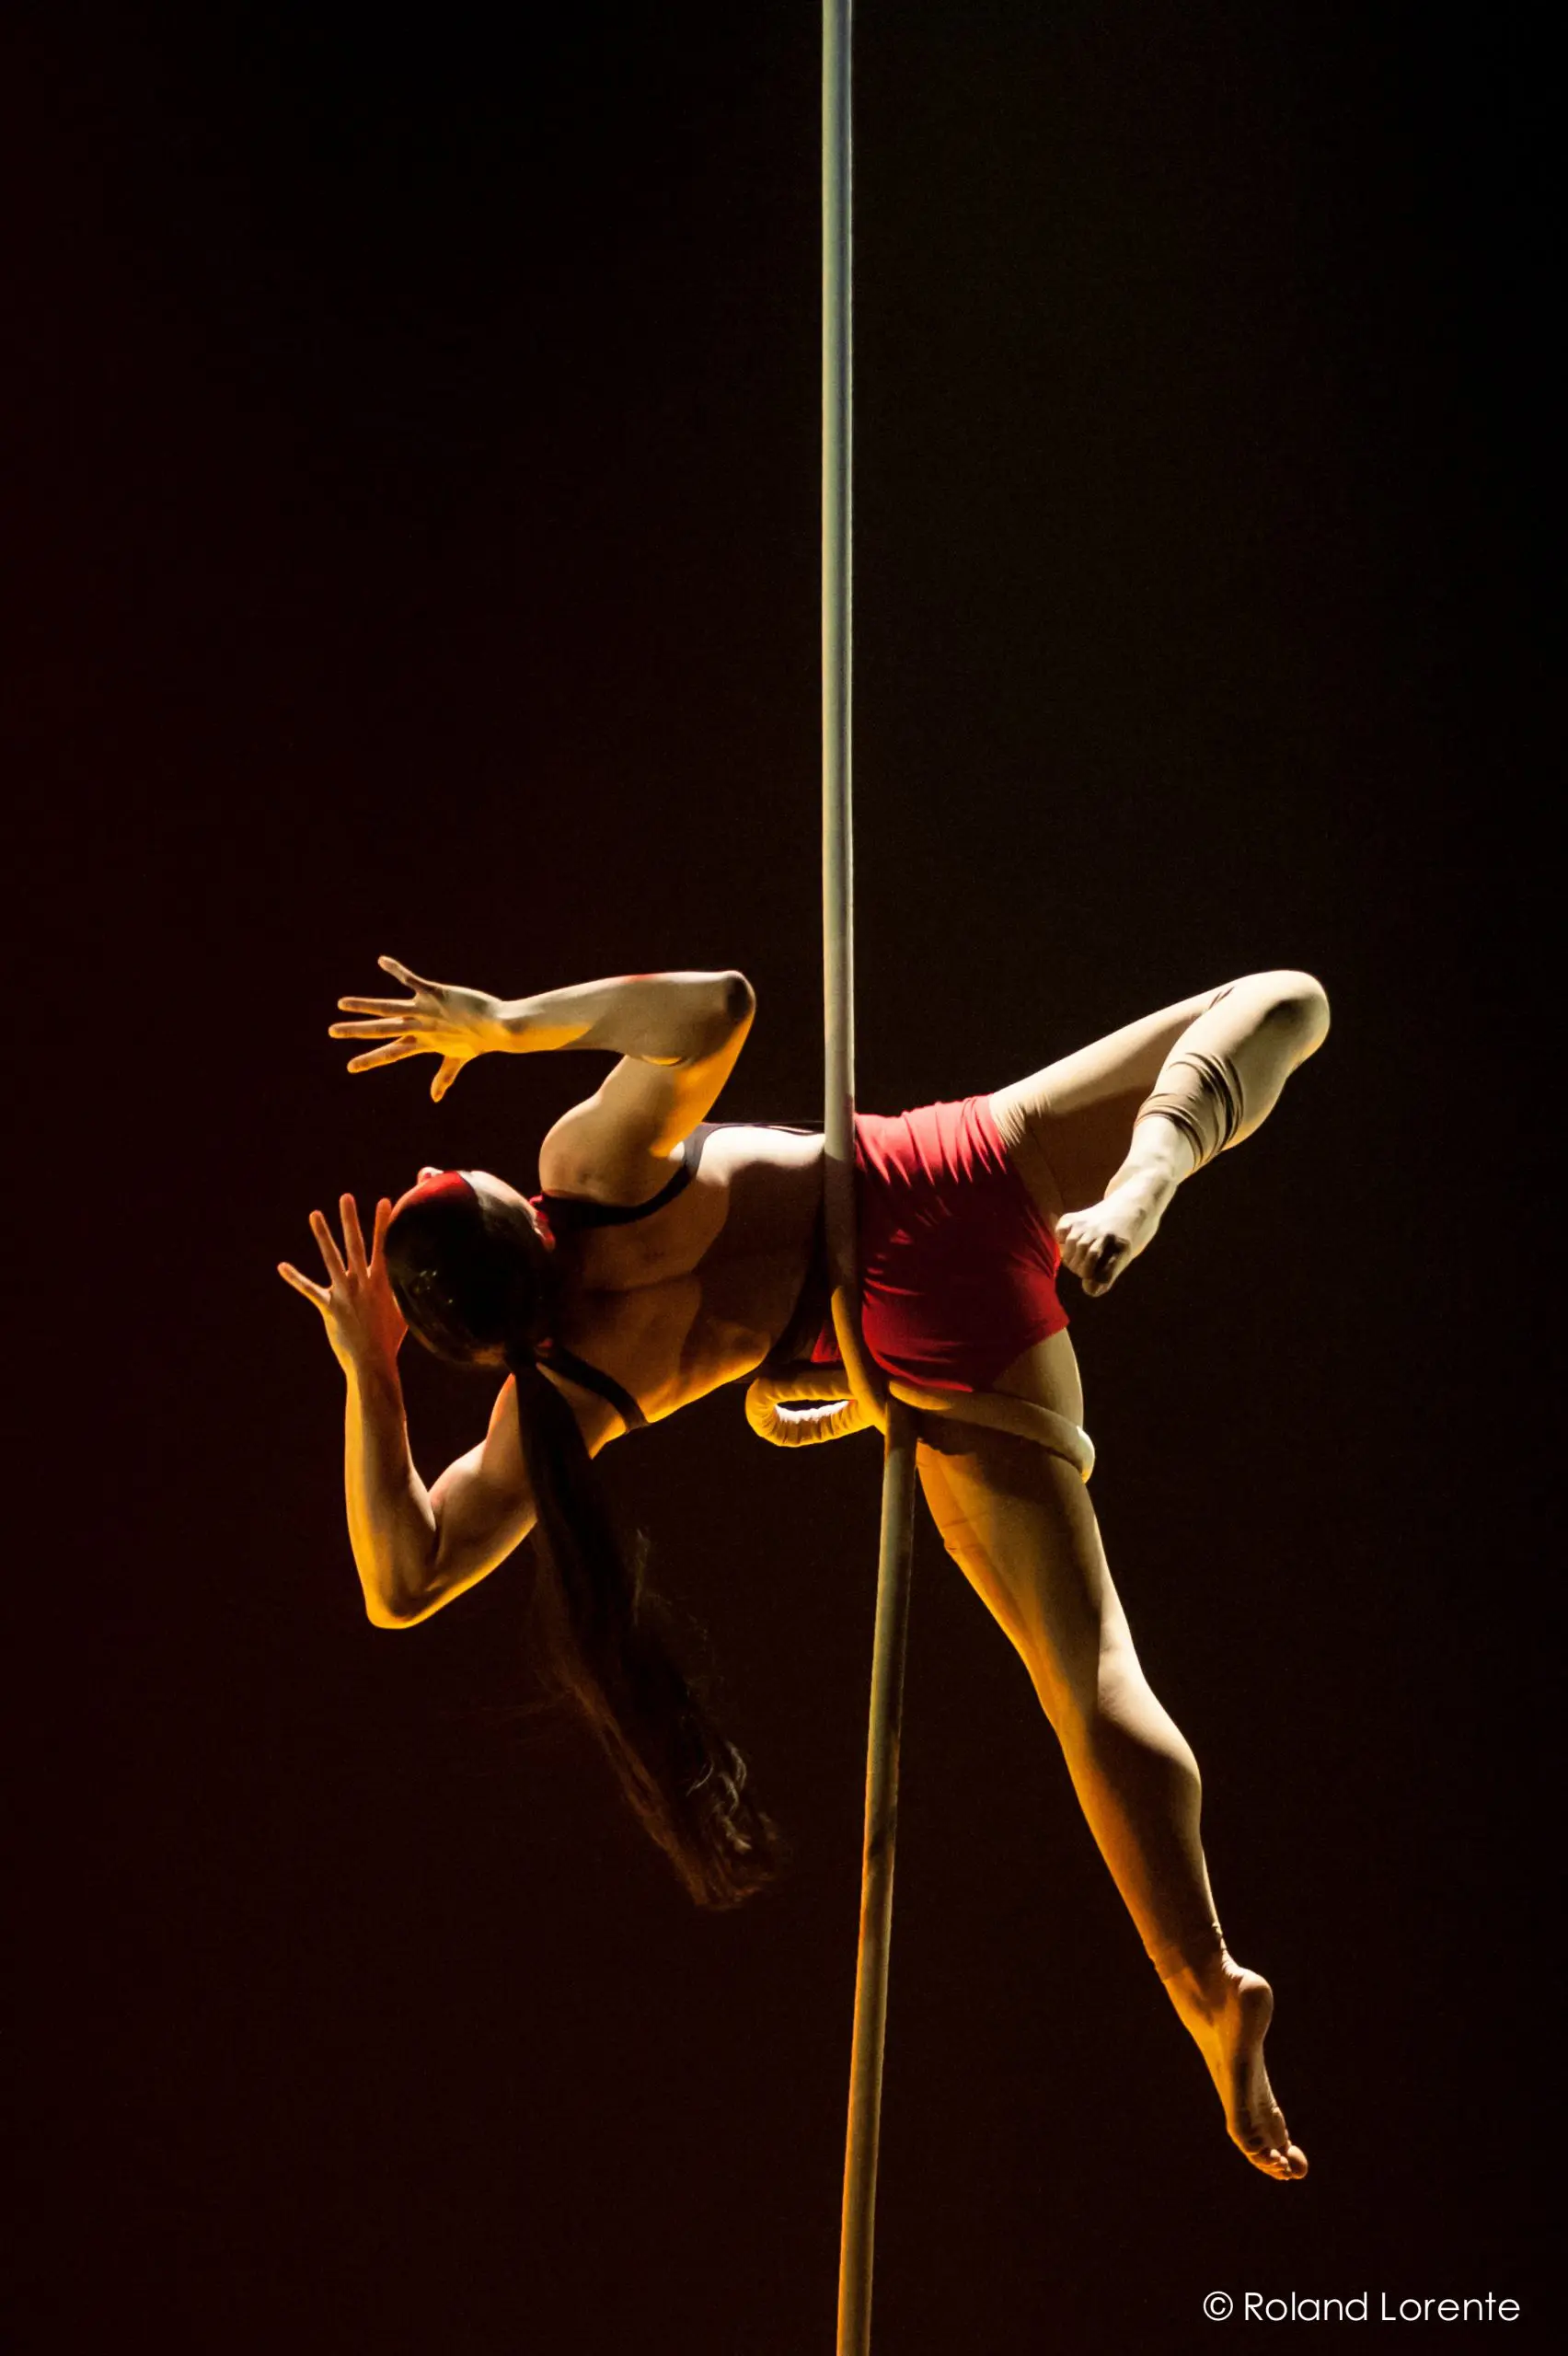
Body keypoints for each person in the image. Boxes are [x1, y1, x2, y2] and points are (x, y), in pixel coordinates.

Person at [280, 955, 1329, 2181]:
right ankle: (1152, 1173)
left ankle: (1205, 1986)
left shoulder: (560, 1400)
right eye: (437, 1183)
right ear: (508, 1209)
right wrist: (505, 1026)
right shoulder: (588, 1174)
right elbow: (719, 1005)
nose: (418, 1168)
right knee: (1284, 1000)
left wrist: (370, 1372)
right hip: (940, 1174)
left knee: (1084, 1674)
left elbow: (400, 1581)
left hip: (918, 1346)